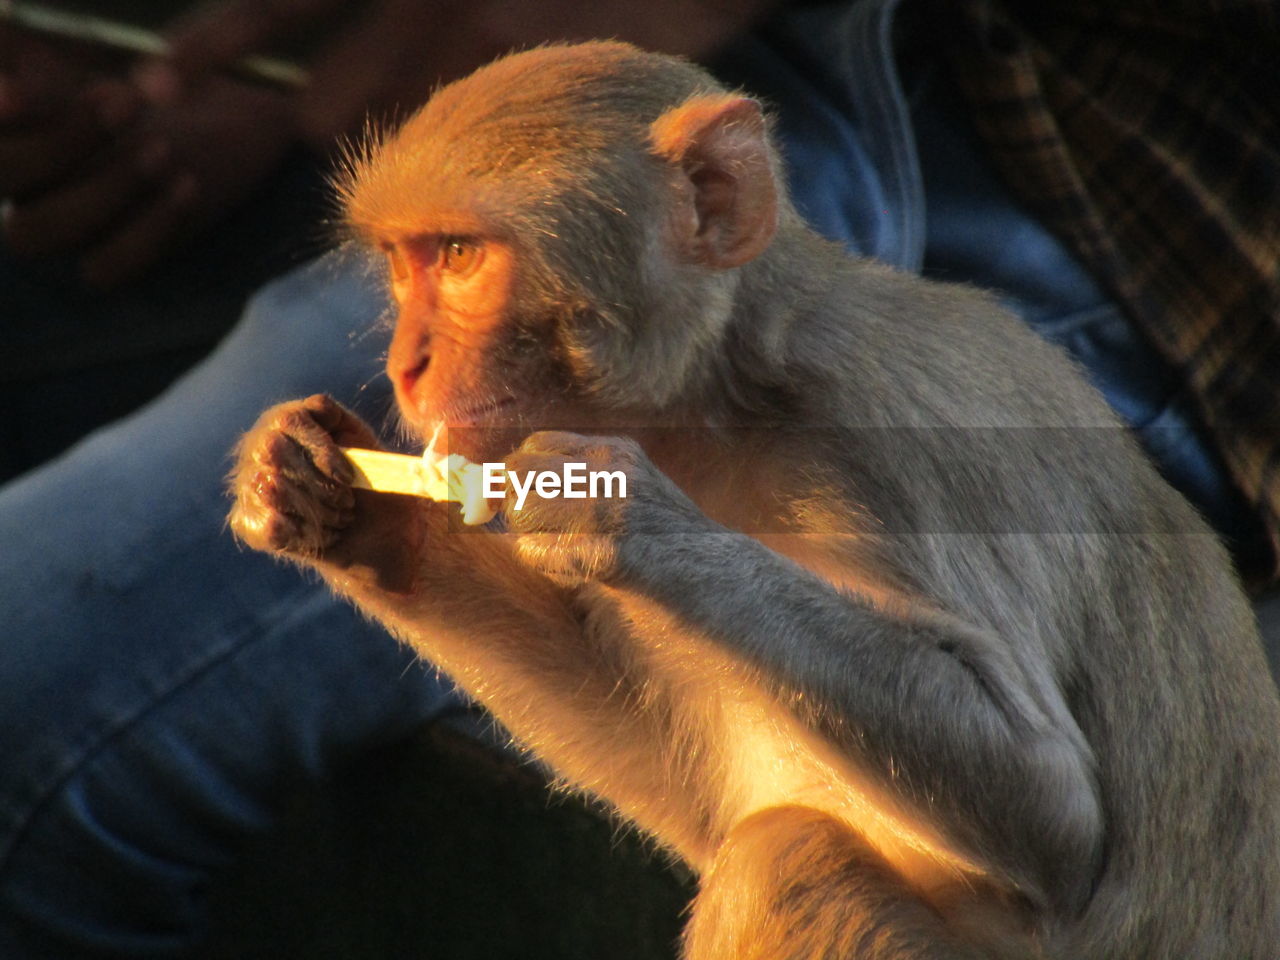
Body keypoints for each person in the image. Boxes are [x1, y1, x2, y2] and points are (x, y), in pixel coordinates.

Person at [1, 1, 1277, 955]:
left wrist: (666, 546)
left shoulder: (891, 392)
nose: (404, 357)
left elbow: (1040, 827)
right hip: (789, 87)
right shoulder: (661, 421)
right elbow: (703, 782)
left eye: (455, 260)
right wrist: (403, 564)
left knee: (782, 881)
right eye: (398, 265)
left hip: (1094, 208)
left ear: (715, 208)